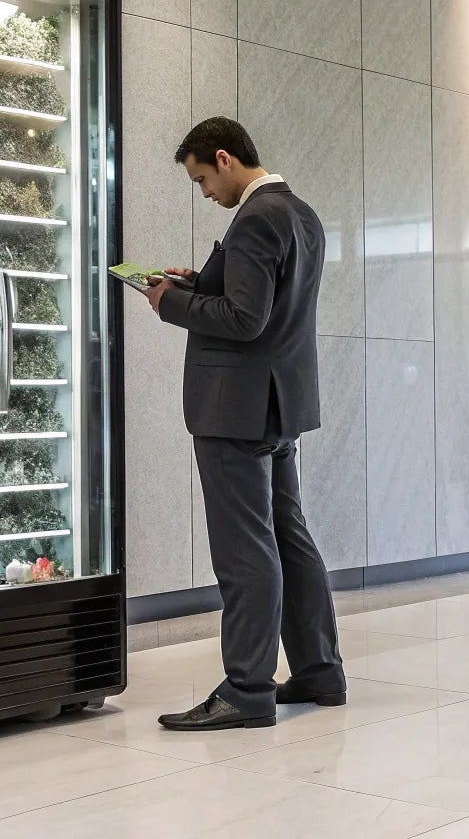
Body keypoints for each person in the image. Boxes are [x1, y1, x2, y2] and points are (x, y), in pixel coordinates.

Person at [142, 116, 346, 731]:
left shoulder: (256, 217)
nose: (205, 192)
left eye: (202, 179)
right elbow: (266, 304)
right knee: (288, 537)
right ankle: (319, 671)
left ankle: (247, 690)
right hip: (279, 407)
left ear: (225, 159)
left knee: (244, 551)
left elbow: (244, 319)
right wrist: (198, 283)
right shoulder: (301, 214)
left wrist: (170, 303)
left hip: (236, 409)